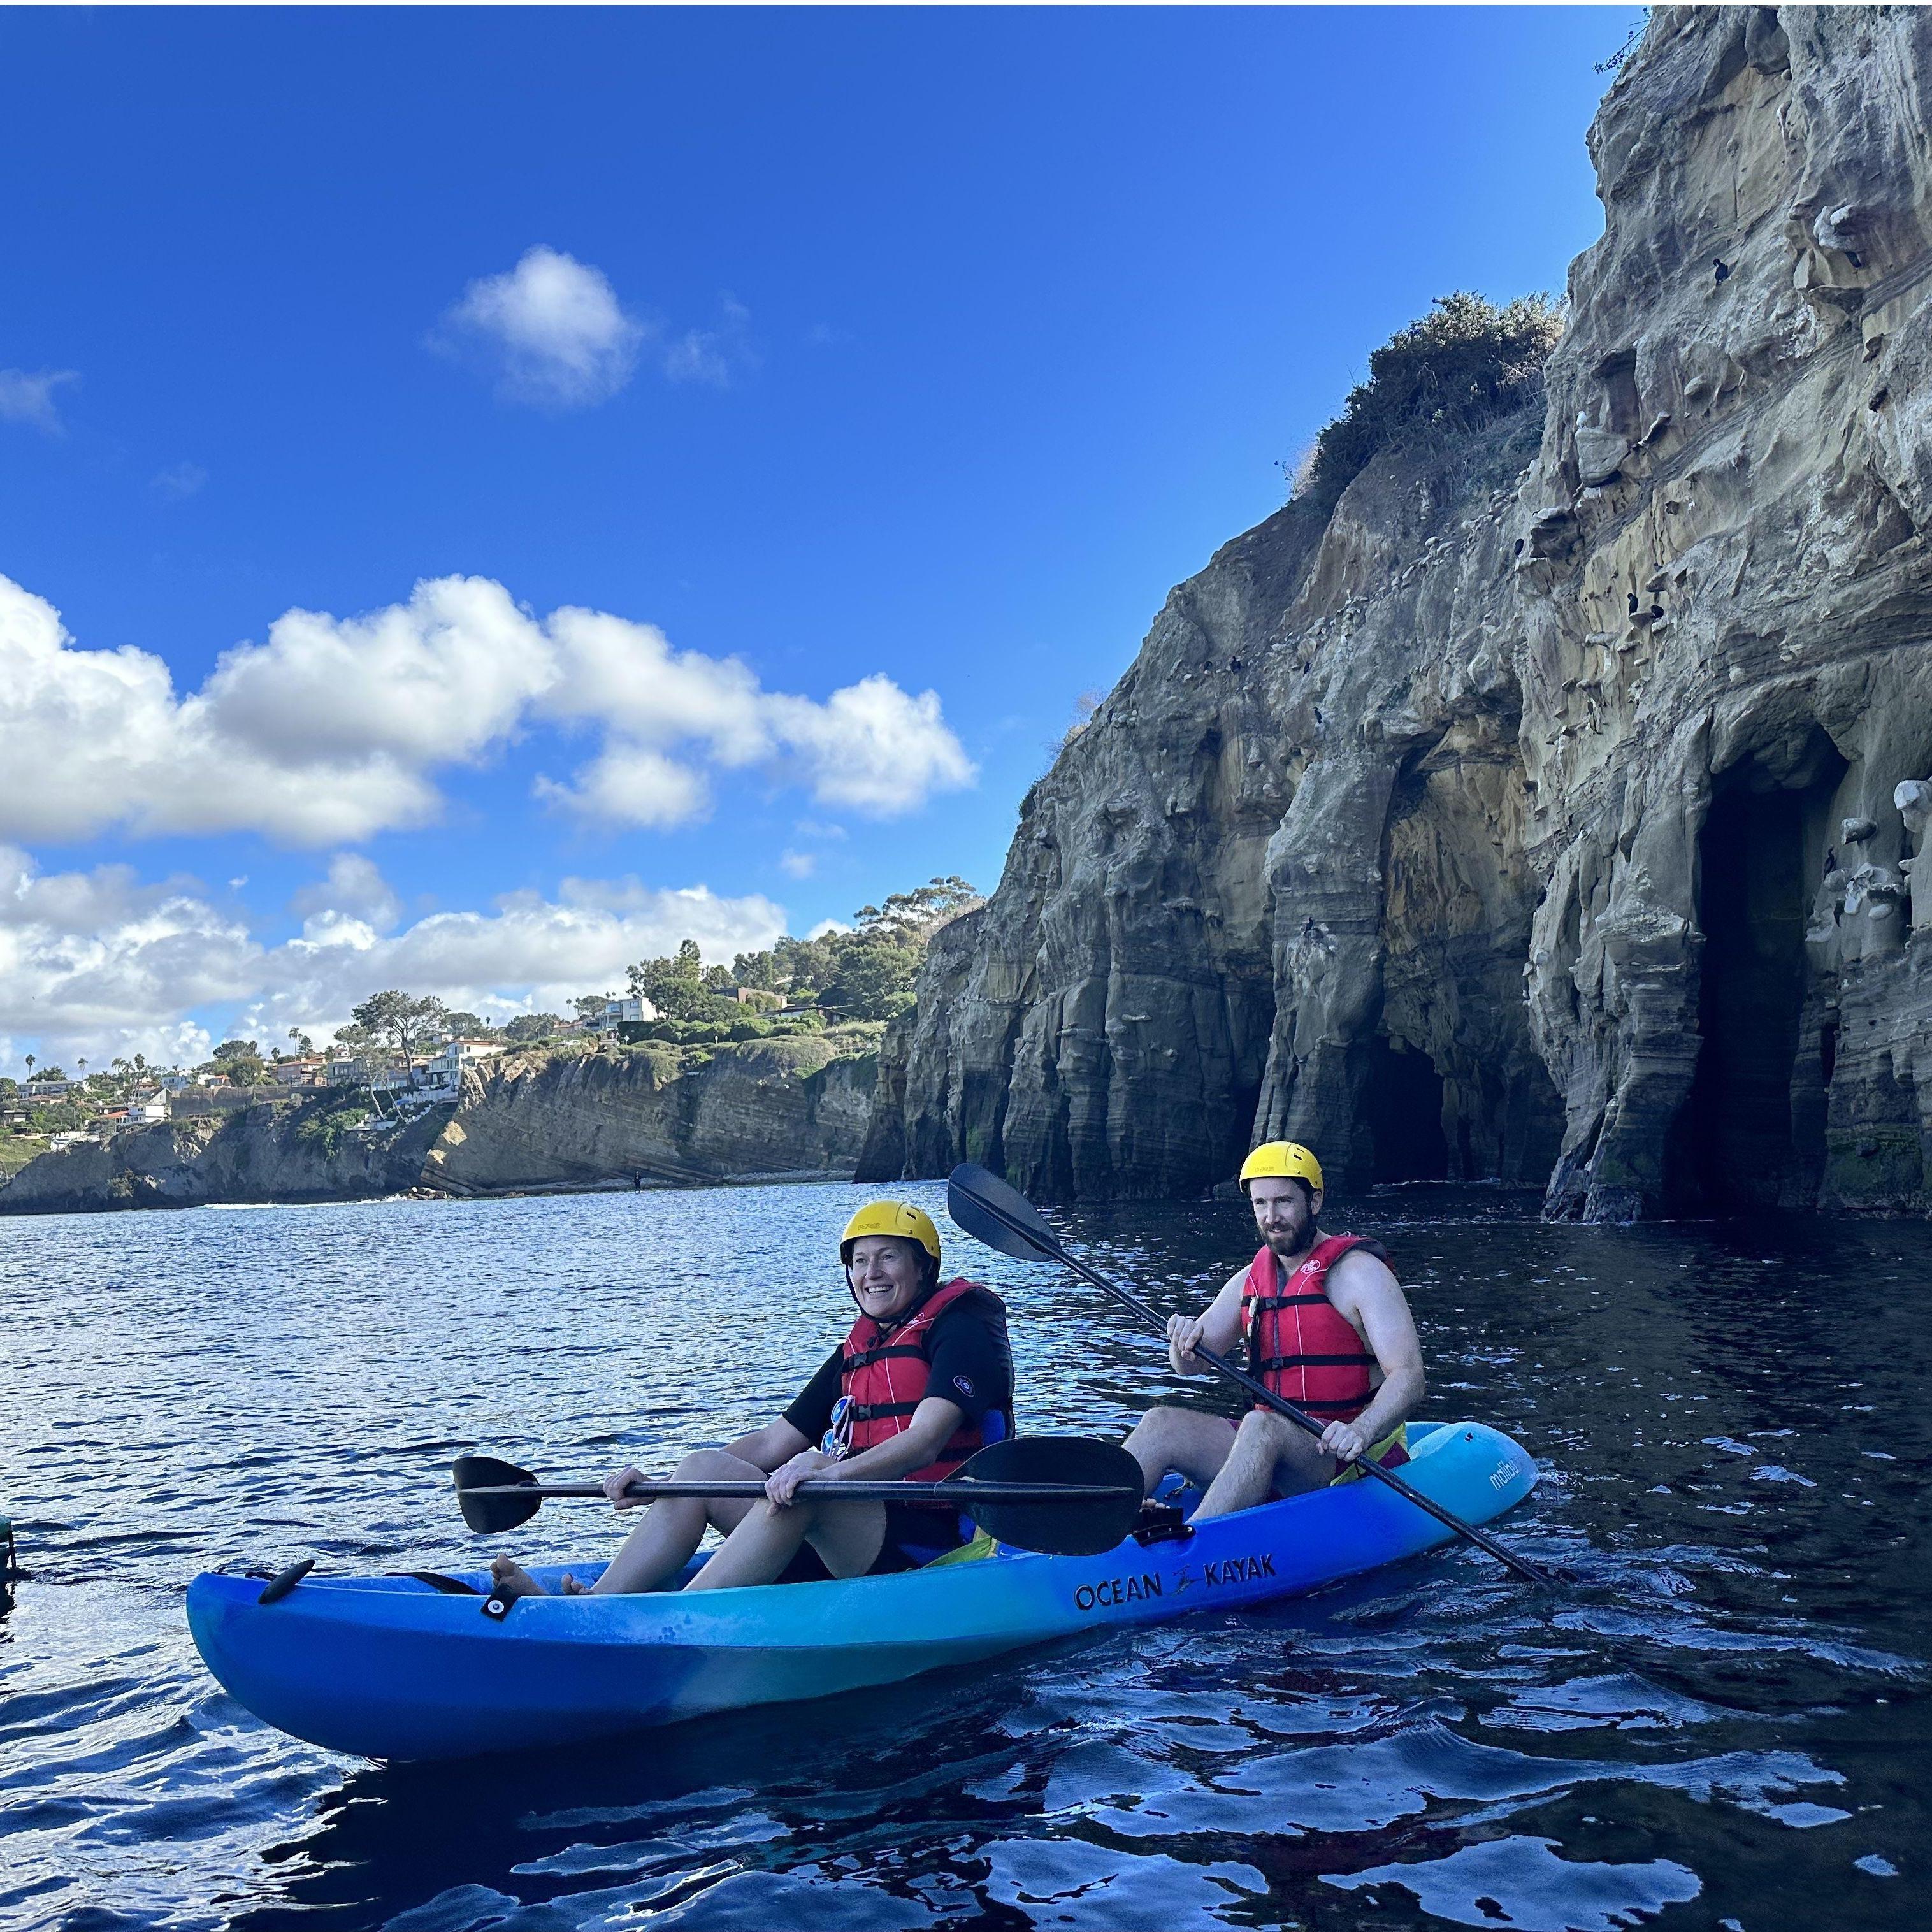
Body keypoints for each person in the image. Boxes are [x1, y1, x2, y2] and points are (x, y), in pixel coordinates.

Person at [488, 1202, 1014, 1600]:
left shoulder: (959, 1328)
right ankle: (596, 1609)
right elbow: (771, 1442)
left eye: (888, 1257)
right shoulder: (861, 1348)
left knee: (804, 1483)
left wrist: (823, 1475)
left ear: (922, 1268)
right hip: (847, 1526)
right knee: (700, 1467)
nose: (870, 1273)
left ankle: (669, 1626)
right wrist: (665, 1490)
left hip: (928, 1540)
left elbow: (924, 1443)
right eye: (859, 1261)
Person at [1123, 1141, 1423, 1518]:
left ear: (1314, 1202)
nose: (1271, 1216)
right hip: (1271, 1446)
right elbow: (1191, 1367)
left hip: (1342, 1457)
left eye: (1284, 1201)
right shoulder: (1250, 1280)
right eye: (1260, 1204)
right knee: (1160, 1423)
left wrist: (1361, 1431)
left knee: (1261, 1425)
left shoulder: (1361, 1274)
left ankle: (1190, 1547)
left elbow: (1409, 1376)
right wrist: (1181, 1343)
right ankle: (1093, 1530)